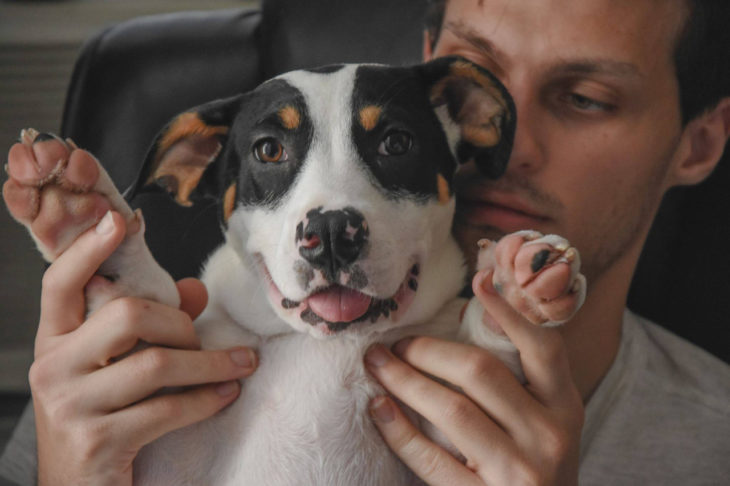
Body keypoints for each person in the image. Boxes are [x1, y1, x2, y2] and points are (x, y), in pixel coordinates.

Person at [1, 0, 728, 485]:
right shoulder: (96, 387)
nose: (502, 142)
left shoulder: (712, 449)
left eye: (585, 98)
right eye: (467, 87)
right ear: (423, 63)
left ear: (700, 142)